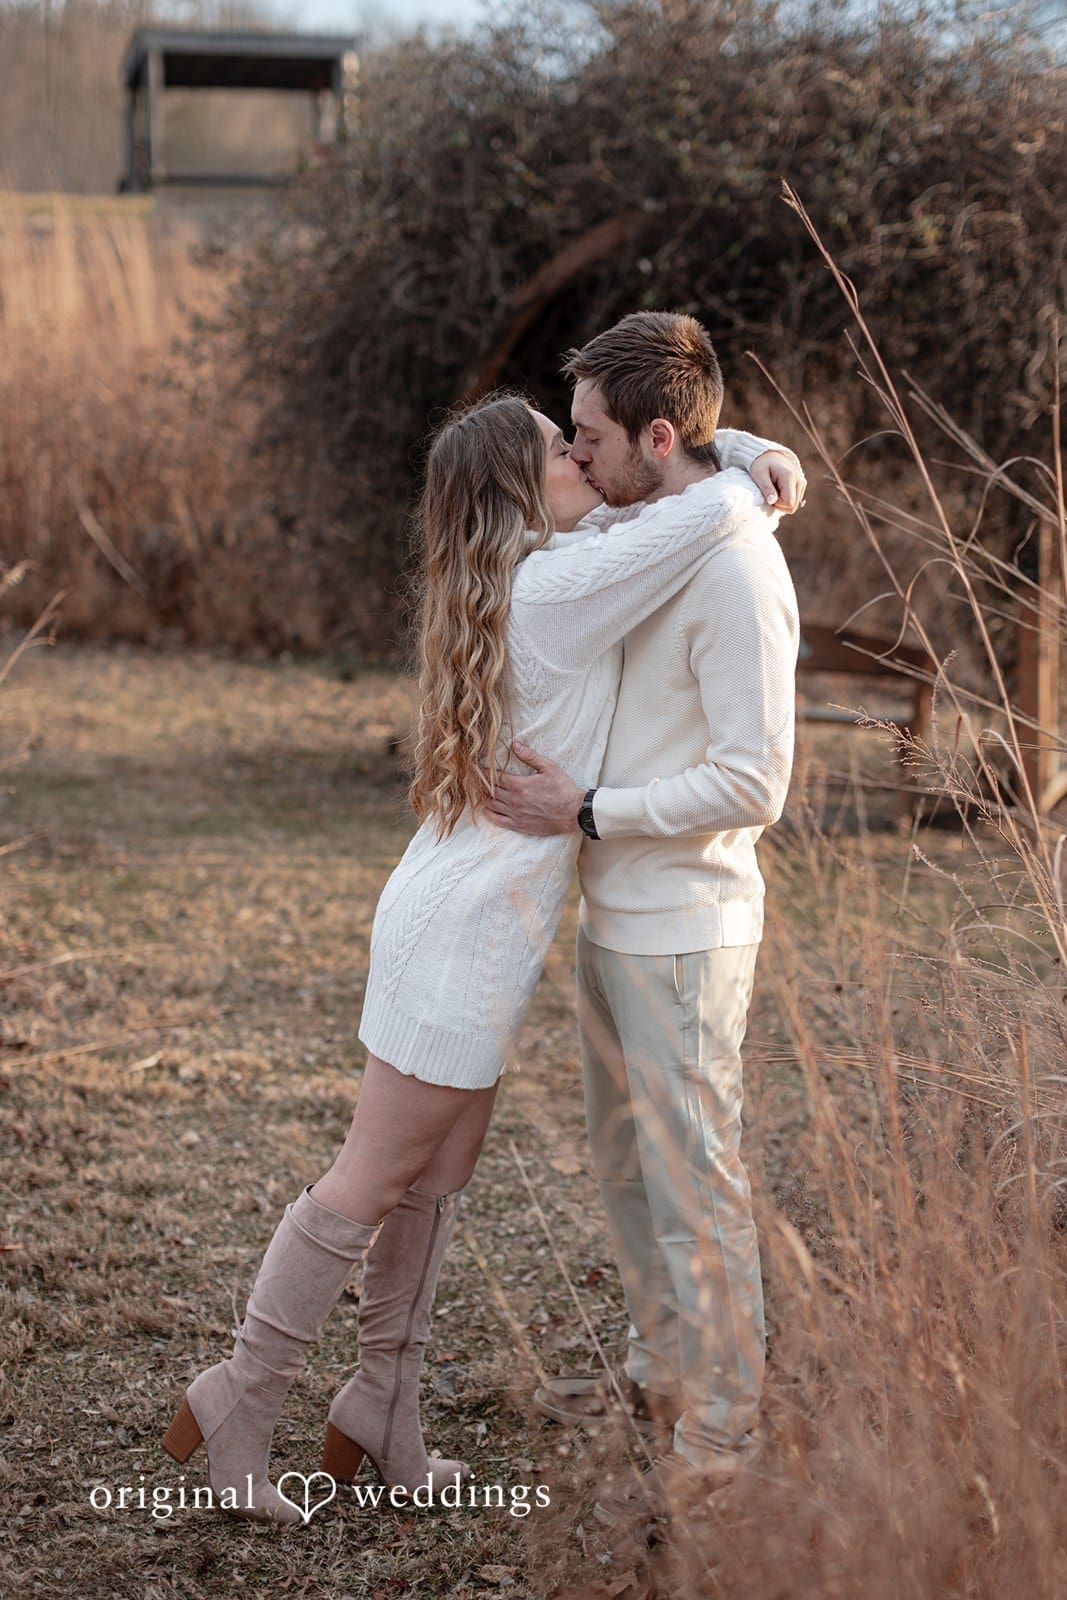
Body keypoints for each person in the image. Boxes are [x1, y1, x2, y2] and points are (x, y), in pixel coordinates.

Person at [160, 386, 803, 1524]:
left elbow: (674, 486)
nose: (583, 458)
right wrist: (749, 459)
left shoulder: (554, 560)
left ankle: (382, 1412)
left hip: (478, 927)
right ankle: (238, 1407)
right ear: (525, 485)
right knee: (367, 1177)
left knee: (435, 1179)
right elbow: (705, 511)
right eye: (564, 447)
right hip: (456, 936)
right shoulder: (555, 586)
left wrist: (741, 448)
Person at [484, 312, 802, 1524]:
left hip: (684, 921)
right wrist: (749, 450)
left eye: (588, 436)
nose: (575, 454)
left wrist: (594, 808)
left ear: (655, 437)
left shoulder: (733, 567)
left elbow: (753, 781)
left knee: (694, 1180)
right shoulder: (651, 518)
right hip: (611, 910)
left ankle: (722, 1435)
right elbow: (715, 467)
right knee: (626, 1166)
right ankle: (661, 1369)